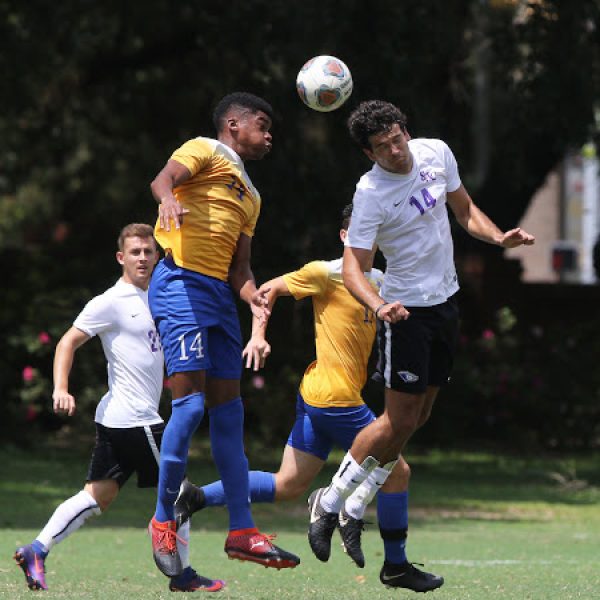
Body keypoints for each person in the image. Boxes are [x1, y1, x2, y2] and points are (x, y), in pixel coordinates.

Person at [307, 100, 535, 588]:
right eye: (383, 147)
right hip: (404, 312)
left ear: (405, 129)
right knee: (397, 419)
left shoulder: (436, 153)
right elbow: (353, 266)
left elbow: (466, 210)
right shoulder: (370, 192)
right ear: (369, 153)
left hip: (445, 303)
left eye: (397, 137)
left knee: (421, 415)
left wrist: (499, 239)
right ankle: (330, 501)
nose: (396, 150)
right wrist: (378, 303)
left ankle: (355, 503)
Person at [174, 204, 443, 592]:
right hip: (334, 398)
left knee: (288, 485)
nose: (366, 240)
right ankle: (397, 565)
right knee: (397, 472)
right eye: (358, 232)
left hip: (318, 395)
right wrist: (257, 336)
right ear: (344, 237)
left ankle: (197, 496)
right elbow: (266, 291)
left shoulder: (382, 283)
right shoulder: (327, 272)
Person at [13, 223, 224, 593]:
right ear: (121, 257)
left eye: (149, 251)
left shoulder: (160, 296)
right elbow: (67, 343)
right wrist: (61, 388)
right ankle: (182, 574)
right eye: (135, 252)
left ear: (158, 255)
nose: (143, 257)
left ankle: (36, 549)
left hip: (117, 419)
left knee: (97, 497)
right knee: (181, 493)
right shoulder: (110, 301)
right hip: (137, 419)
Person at [147, 92, 299, 577]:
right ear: (233, 125)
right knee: (189, 407)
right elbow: (162, 179)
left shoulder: (252, 195)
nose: (269, 134)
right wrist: (169, 197)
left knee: (230, 415)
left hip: (218, 297)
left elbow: (241, 267)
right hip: (180, 284)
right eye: (262, 124)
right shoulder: (205, 150)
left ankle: (242, 532)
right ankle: (162, 518)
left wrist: (252, 295)